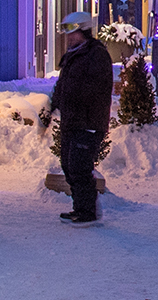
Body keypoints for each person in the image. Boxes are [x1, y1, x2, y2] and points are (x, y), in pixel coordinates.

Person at [45, 12, 113, 226]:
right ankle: (81, 207)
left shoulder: (96, 55)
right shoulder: (73, 54)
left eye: (72, 32)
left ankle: (88, 212)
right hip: (72, 120)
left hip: (89, 121)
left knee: (79, 166)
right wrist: (54, 105)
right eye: (66, 32)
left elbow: (95, 88)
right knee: (68, 164)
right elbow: (64, 84)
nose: (68, 37)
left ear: (83, 30)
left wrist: (76, 100)